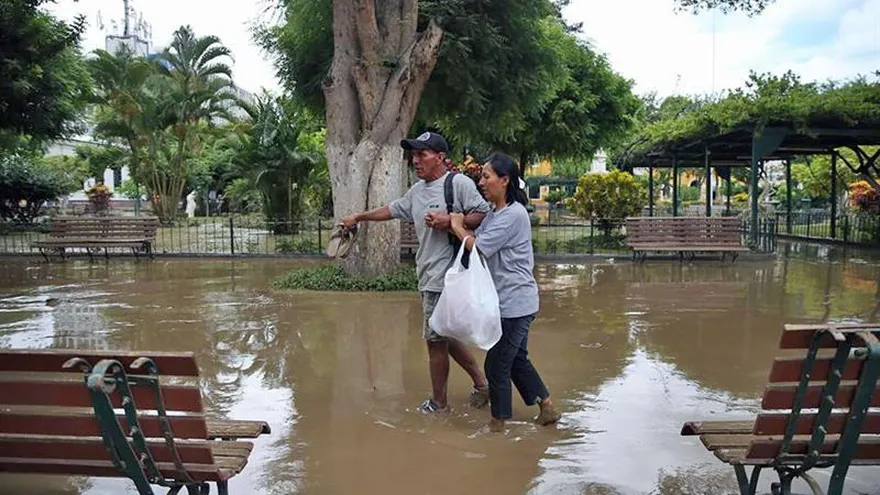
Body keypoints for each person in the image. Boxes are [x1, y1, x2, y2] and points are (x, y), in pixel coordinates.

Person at [339, 131, 492, 413]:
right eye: (414, 155)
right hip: (428, 273)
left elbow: (482, 214)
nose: (415, 160)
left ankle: (439, 404)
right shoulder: (417, 191)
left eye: (422, 154)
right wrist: (358, 217)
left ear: (441, 157)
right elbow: (392, 210)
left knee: (434, 340)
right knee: (442, 334)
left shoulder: (457, 183)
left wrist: (449, 221)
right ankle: (482, 383)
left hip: (448, 276)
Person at [449, 153, 560, 432]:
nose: (482, 182)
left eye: (487, 177)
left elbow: (480, 248)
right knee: (517, 360)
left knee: (496, 364)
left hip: (515, 303)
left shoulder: (513, 214)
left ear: (505, 180)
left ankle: (498, 424)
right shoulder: (496, 212)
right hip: (508, 301)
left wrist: (456, 227)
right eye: (482, 176)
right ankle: (546, 407)